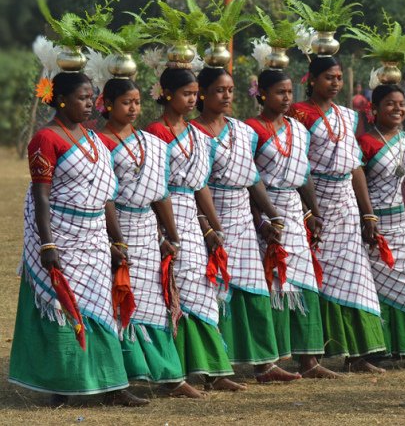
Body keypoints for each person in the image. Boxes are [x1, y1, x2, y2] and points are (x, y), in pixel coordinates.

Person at [10, 71, 147, 407]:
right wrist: (48, 244)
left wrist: (118, 241)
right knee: (62, 307)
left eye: (91, 98)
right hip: (62, 235)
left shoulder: (93, 138)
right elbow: (41, 196)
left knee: (101, 308)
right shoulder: (46, 138)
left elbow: (106, 196)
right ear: (61, 99)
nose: (89, 104)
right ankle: (63, 385)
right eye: (82, 98)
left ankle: (113, 386)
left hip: (94, 235)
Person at [190, 66, 301, 383]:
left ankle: (264, 364)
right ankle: (217, 367)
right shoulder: (194, 134)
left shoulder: (243, 131)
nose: (226, 96)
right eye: (219, 90)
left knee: (254, 290)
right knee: (217, 292)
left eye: (230, 90)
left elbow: (253, 180)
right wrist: (210, 227)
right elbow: (198, 186)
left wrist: (269, 215)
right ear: (202, 94)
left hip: (242, 216)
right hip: (210, 217)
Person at [96, 77, 204, 399]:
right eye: (126, 102)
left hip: (146, 228)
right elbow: (105, 198)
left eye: (138, 102)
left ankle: (170, 377)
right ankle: (122, 378)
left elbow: (161, 193)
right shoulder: (101, 142)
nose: (133, 108)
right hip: (118, 228)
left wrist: (170, 234)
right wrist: (117, 240)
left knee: (156, 302)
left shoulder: (149, 143)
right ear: (108, 104)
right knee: (122, 301)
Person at [144, 66, 244, 392]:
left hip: (190, 217)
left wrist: (213, 226)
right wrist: (168, 233)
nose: (192, 99)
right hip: (163, 217)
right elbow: (156, 187)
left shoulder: (196, 134)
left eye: (194, 93)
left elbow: (200, 186)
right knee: (177, 292)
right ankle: (177, 375)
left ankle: (212, 369)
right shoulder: (155, 133)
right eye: (186, 94)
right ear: (168, 94)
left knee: (202, 290)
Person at [289, 56, 387, 373]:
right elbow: (297, 165)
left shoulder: (347, 115)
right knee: (315, 276)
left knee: (355, 276)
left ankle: (357, 355)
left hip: (344, 203)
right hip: (314, 200)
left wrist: (367, 213)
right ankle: (311, 357)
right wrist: (308, 210)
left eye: (339, 77)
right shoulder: (298, 115)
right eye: (329, 77)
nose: (335, 83)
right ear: (311, 80)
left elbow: (355, 165)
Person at [245, 69, 339, 379]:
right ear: (263, 94)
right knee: (274, 283)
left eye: (289, 92)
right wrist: (264, 218)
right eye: (279, 93)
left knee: (305, 281)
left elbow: (305, 173)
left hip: (294, 213)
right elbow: (249, 180)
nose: (286, 98)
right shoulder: (252, 129)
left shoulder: (298, 129)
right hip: (265, 212)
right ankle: (268, 362)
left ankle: (309, 359)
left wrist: (314, 211)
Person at [358, 83, 405, 361]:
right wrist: (367, 218)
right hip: (376, 225)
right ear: (374, 109)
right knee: (380, 286)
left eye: (401, 104)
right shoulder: (366, 143)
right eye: (390, 103)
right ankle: (384, 347)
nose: (398, 108)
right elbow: (358, 183)